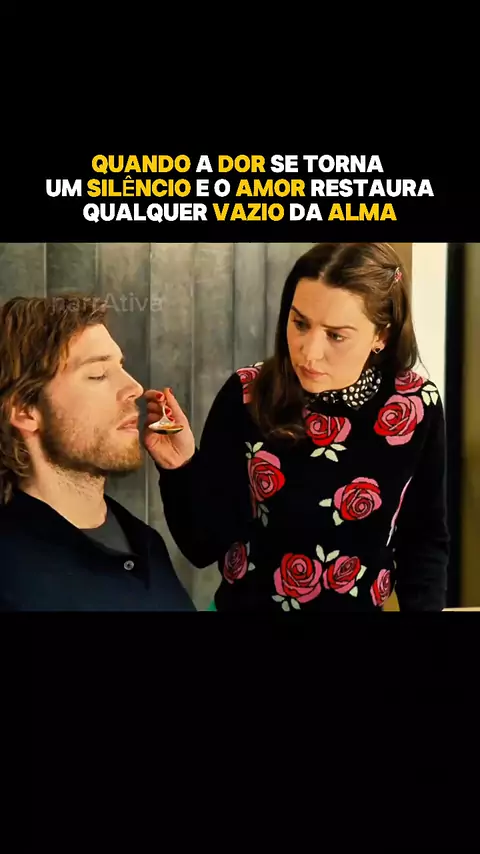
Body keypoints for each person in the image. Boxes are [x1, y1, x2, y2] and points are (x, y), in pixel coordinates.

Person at [144, 243, 450, 612]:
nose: (309, 352)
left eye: (336, 335)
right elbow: (202, 546)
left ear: (380, 336)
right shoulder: (246, 395)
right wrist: (180, 467)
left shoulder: (415, 406)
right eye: (300, 324)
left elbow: (424, 541)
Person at [0, 294, 194, 612]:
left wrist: (182, 469)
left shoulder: (146, 543)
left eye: (121, 367)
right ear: (25, 411)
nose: (134, 387)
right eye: (98, 374)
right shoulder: (11, 577)